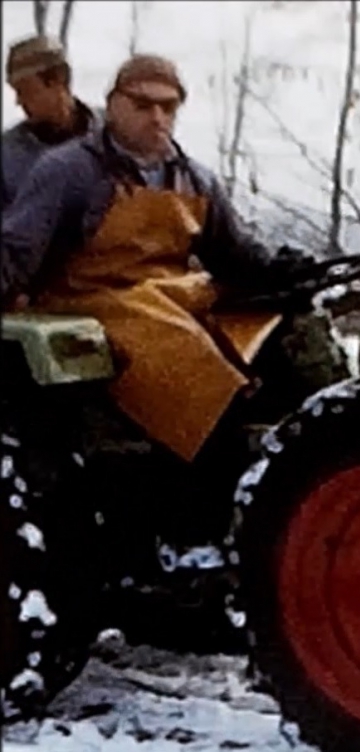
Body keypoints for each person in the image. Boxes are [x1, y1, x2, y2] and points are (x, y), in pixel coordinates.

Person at [0, 54, 310, 463]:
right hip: (91, 298)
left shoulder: (194, 178)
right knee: (172, 338)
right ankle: (218, 444)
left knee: (268, 326)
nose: (157, 118)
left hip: (169, 292)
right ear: (113, 105)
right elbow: (17, 249)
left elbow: (232, 254)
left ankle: (293, 422)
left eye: (168, 107)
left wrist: (280, 272)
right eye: (143, 105)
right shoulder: (68, 170)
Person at [2, 35, 100, 209]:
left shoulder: (114, 133)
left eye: (25, 90)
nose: (19, 101)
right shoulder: (6, 155)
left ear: (57, 81)